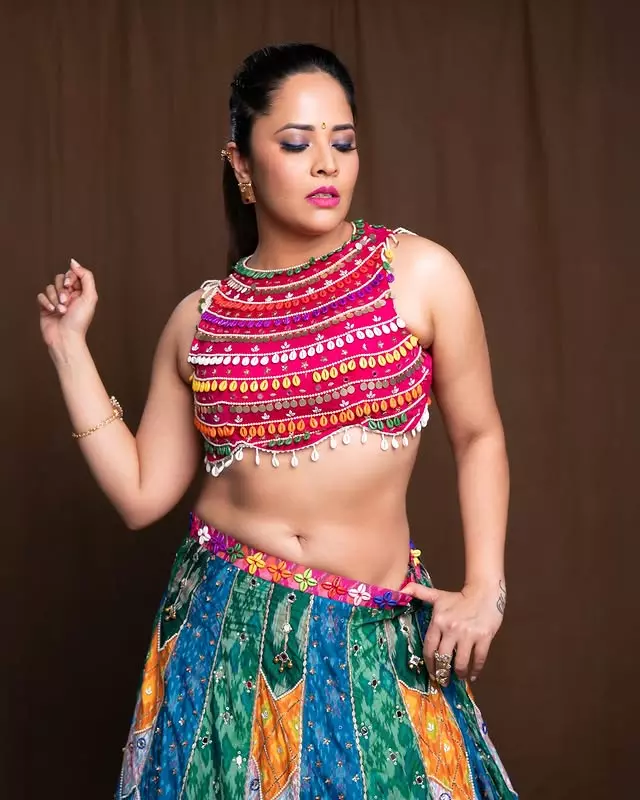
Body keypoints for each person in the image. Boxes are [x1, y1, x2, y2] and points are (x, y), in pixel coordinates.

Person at [37, 43, 517, 800]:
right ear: (242, 164)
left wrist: (485, 587)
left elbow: (479, 435)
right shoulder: (199, 321)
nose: (326, 163)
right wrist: (69, 349)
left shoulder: (419, 274)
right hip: (218, 639)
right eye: (296, 143)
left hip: (373, 634)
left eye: (343, 142)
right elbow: (140, 494)